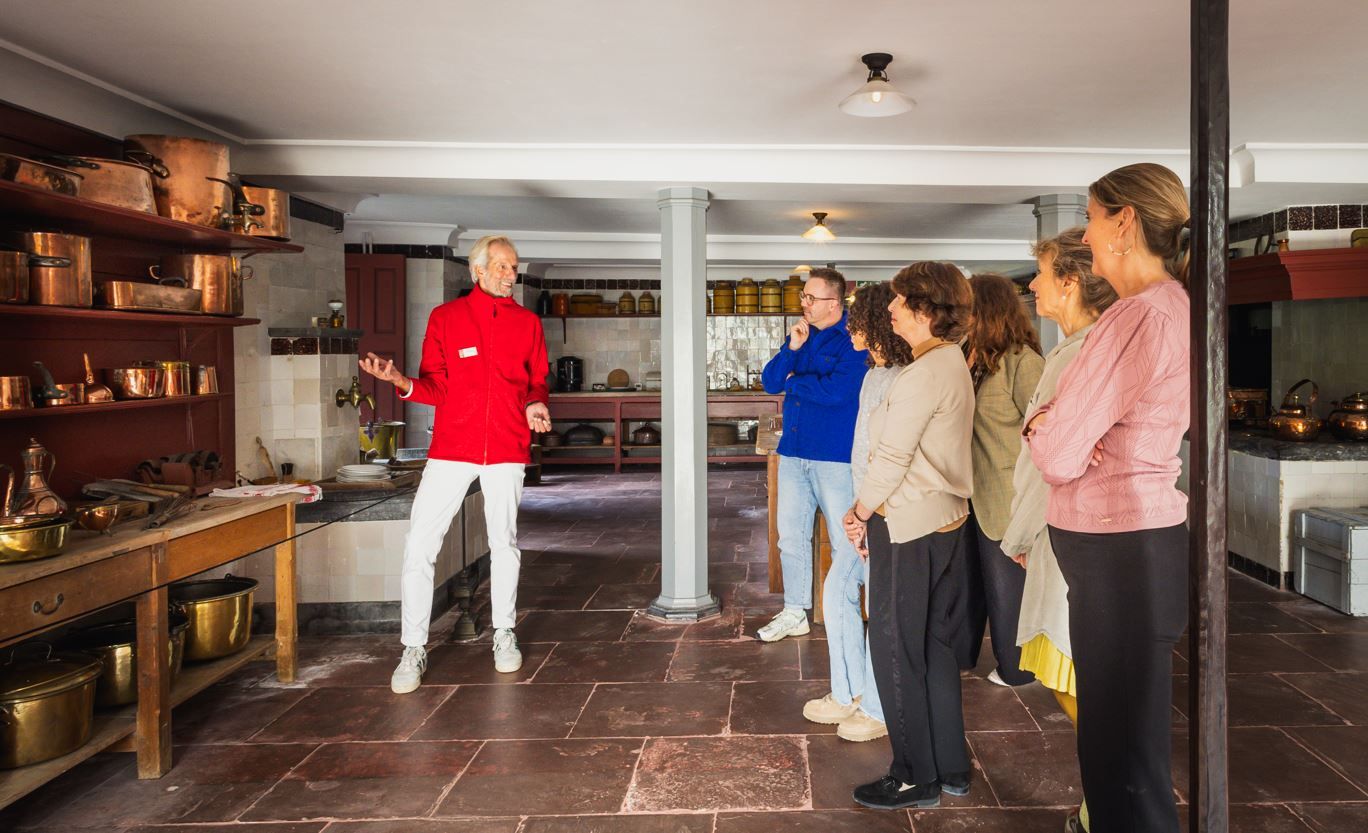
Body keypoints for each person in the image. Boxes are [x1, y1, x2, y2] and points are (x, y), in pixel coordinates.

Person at [1024, 163, 1191, 833]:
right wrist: (1058, 426)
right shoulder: (1174, 305)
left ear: (1124, 223)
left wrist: (1043, 426)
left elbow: (1057, 452)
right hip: (1135, 542)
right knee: (1131, 746)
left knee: (1117, 753)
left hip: (1118, 546)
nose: (1087, 237)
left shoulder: (1135, 316)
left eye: (1092, 220)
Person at [359, 235, 551, 692]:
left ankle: (504, 633)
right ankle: (413, 647)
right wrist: (400, 381)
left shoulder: (527, 323)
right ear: (477, 271)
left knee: (504, 544)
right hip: (451, 449)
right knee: (419, 545)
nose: (510, 275)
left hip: (506, 447)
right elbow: (435, 387)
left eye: (513, 267)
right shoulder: (445, 318)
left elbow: (537, 380)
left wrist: (535, 404)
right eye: (501, 266)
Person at [842, 262, 975, 810]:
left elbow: (892, 458)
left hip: (907, 525)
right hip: (944, 520)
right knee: (934, 647)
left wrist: (859, 512)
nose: (891, 308)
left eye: (899, 300)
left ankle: (913, 776)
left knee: (895, 648)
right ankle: (951, 767)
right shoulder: (950, 360)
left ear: (924, 308)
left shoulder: (922, 373)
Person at [1001, 228, 1117, 833]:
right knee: (1071, 673)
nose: (1033, 283)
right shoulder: (1073, 348)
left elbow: (1051, 460)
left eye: (1043, 273)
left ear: (1070, 283)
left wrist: (1020, 535)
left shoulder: (1080, 354)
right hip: (1057, 527)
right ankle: (1103, 798)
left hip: (1067, 529)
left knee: (1076, 672)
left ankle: (1106, 805)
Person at [802, 282, 912, 743]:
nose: (850, 329)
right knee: (838, 592)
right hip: (863, 508)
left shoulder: (901, 376)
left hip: (885, 513)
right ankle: (849, 692)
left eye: (857, 320)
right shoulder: (874, 373)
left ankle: (878, 707)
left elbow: (892, 456)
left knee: (880, 608)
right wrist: (856, 510)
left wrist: (865, 513)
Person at [758, 268, 867, 643]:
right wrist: (791, 350)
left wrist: (796, 382)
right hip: (793, 452)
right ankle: (794, 612)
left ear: (834, 303)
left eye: (811, 298)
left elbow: (839, 392)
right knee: (790, 537)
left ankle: (845, 610)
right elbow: (770, 382)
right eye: (803, 296)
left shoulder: (854, 338)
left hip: (835, 456)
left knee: (844, 539)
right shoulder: (800, 335)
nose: (803, 303)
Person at [961, 273, 1044, 686]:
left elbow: (1043, 438)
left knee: (1007, 589)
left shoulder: (1023, 362)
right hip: (965, 493)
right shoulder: (965, 355)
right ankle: (962, 656)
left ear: (984, 309)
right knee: (969, 586)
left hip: (1006, 494)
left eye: (965, 307)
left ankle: (1018, 670)